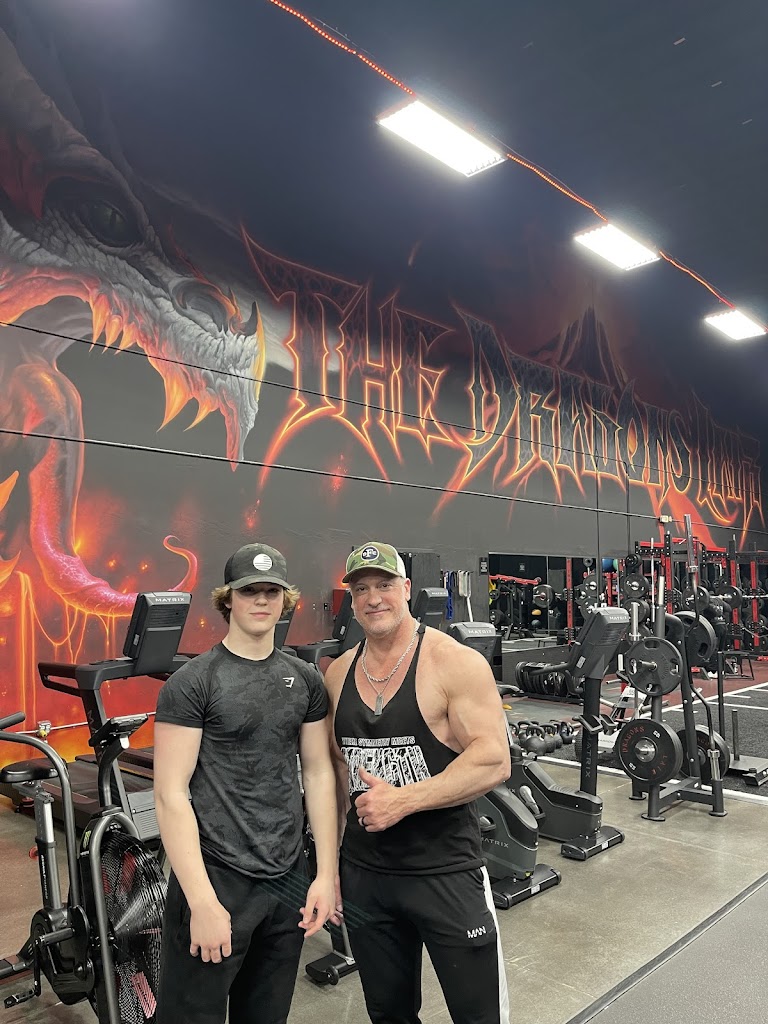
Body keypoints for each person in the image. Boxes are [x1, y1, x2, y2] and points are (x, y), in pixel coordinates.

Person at [326, 541, 512, 1024]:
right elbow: (335, 774)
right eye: (361, 589)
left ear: (406, 588)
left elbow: (493, 760)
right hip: (366, 876)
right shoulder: (338, 674)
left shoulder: (455, 663)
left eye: (384, 585)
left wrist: (404, 800)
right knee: (388, 1014)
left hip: (444, 871)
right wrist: (331, 870)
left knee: (478, 1016)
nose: (373, 598)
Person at [153, 542, 339, 1024]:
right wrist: (201, 901)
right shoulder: (193, 682)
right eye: (248, 590)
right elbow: (170, 794)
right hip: (218, 878)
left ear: (285, 600)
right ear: (228, 599)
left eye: (271, 591)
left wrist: (324, 875)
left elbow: (318, 773)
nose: (261, 600)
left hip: (287, 880)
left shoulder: (304, 679)